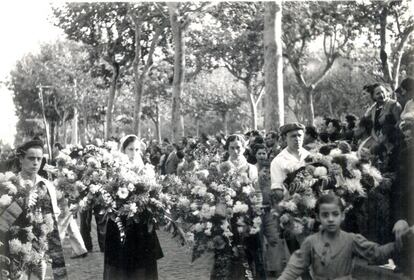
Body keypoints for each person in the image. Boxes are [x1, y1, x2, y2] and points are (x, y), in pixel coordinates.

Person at [277, 193, 398, 280]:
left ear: (342, 216)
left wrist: (400, 243)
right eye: (325, 215)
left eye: (335, 214)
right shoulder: (311, 242)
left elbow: (376, 253)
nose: (330, 219)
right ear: (318, 217)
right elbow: (294, 267)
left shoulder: (351, 240)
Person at [0, 140, 67, 280]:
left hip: (40, 250)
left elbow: (53, 222)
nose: (36, 163)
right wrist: (21, 202)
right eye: (31, 158)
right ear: (20, 159)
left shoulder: (47, 185)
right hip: (14, 251)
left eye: (39, 158)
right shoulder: (8, 184)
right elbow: (2, 223)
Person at [103, 135, 163, 280]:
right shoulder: (116, 169)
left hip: (140, 223)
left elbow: (151, 193)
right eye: (130, 149)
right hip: (120, 222)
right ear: (123, 150)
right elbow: (108, 194)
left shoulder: (145, 169)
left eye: (137, 149)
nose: (134, 153)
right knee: (121, 262)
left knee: (141, 263)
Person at [211, 134, 265, 280]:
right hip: (226, 215)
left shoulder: (251, 168)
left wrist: (257, 211)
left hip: (246, 215)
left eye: (238, 147)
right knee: (227, 251)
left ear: (244, 148)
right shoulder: (220, 167)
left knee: (249, 252)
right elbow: (216, 193)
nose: (235, 151)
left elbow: (257, 191)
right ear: (227, 149)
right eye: (232, 148)